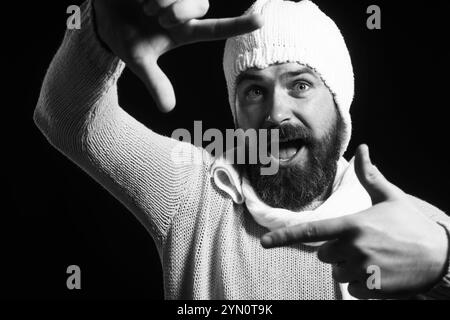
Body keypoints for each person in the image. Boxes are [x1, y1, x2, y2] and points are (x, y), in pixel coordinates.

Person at [34, 0, 450, 299]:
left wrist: (442, 264)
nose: (275, 113)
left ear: (340, 104)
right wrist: (100, 36)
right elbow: (66, 121)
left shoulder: (408, 224)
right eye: (254, 90)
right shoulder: (194, 193)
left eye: (300, 85)